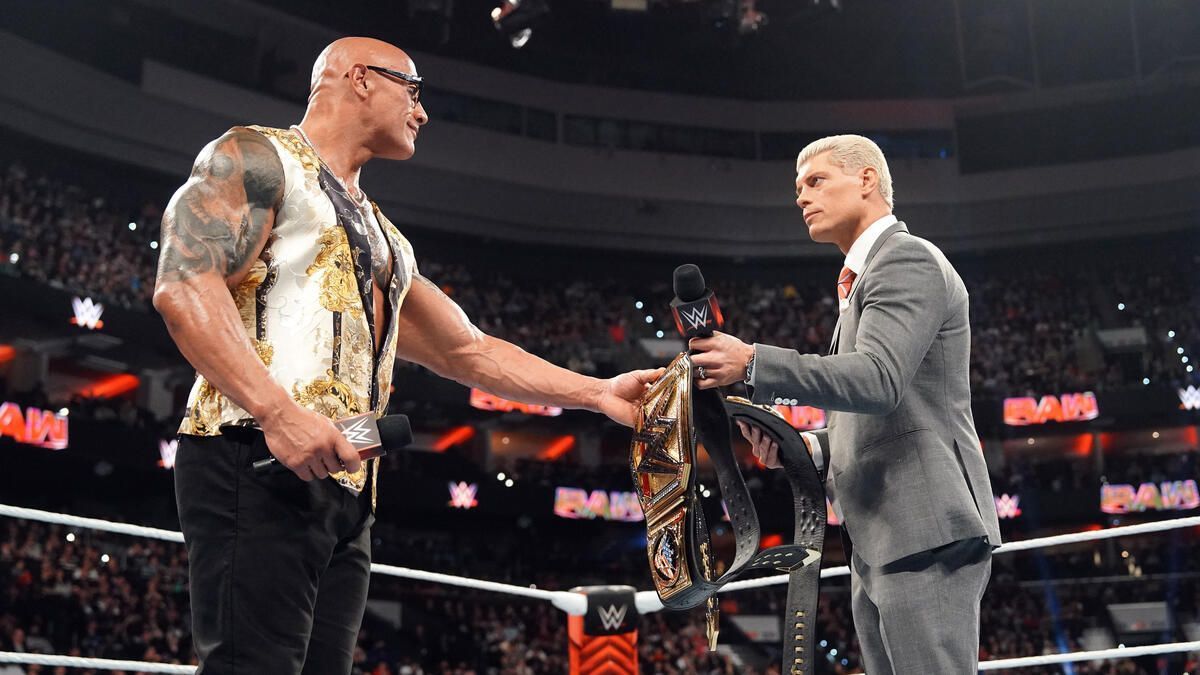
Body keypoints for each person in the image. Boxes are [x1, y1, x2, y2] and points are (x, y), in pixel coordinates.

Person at [152, 37, 661, 674]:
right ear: (361, 79)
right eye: (413, 91)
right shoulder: (255, 158)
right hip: (251, 453)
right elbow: (184, 284)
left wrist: (595, 393)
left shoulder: (386, 239)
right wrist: (277, 413)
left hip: (348, 486)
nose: (421, 113)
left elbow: (468, 350)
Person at [688, 134, 1001, 673]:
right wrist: (805, 446)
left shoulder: (905, 259)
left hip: (921, 525)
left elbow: (879, 381)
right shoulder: (859, 283)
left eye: (816, 181)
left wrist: (754, 362)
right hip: (882, 535)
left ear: (866, 180)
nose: (801, 198)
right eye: (797, 189)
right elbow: (879, 417)